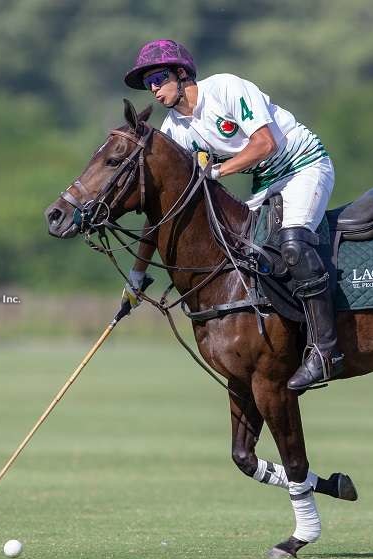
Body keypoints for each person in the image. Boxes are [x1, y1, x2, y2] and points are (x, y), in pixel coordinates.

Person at [121, 39, 342, 390]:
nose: (153, 88)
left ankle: (325, 352)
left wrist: (217, 172)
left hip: (303, 166)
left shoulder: (225, 87)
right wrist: (136, 275)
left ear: (181, 73)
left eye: (159, 77)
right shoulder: (173, 132)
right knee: (244, 254)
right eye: (148, 83)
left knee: (294, 246)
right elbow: (162, 212)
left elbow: (266, 144)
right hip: (266, 182)